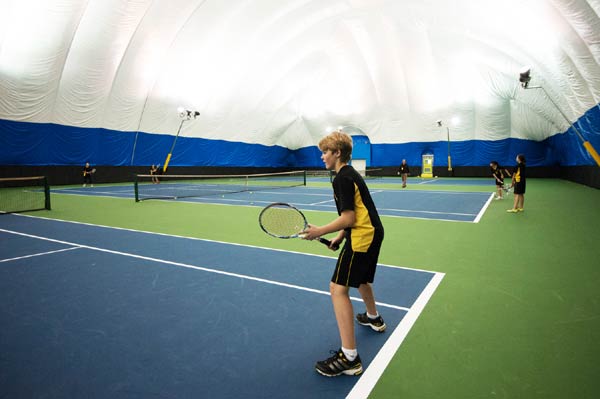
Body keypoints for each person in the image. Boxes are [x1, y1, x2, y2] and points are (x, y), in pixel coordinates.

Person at [301, 130, 385, 377]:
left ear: (337, 153)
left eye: (325, 152)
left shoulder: (341, 178)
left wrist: (319, 231)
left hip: (362, 236)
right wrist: (339, 236)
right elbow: (358, 213)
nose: (322, 157)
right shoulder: (350, 175)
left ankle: (349, 357)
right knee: (360, 279)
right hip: (372, 232)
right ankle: (373, 317)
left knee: (337, 289)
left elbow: (349, 217)